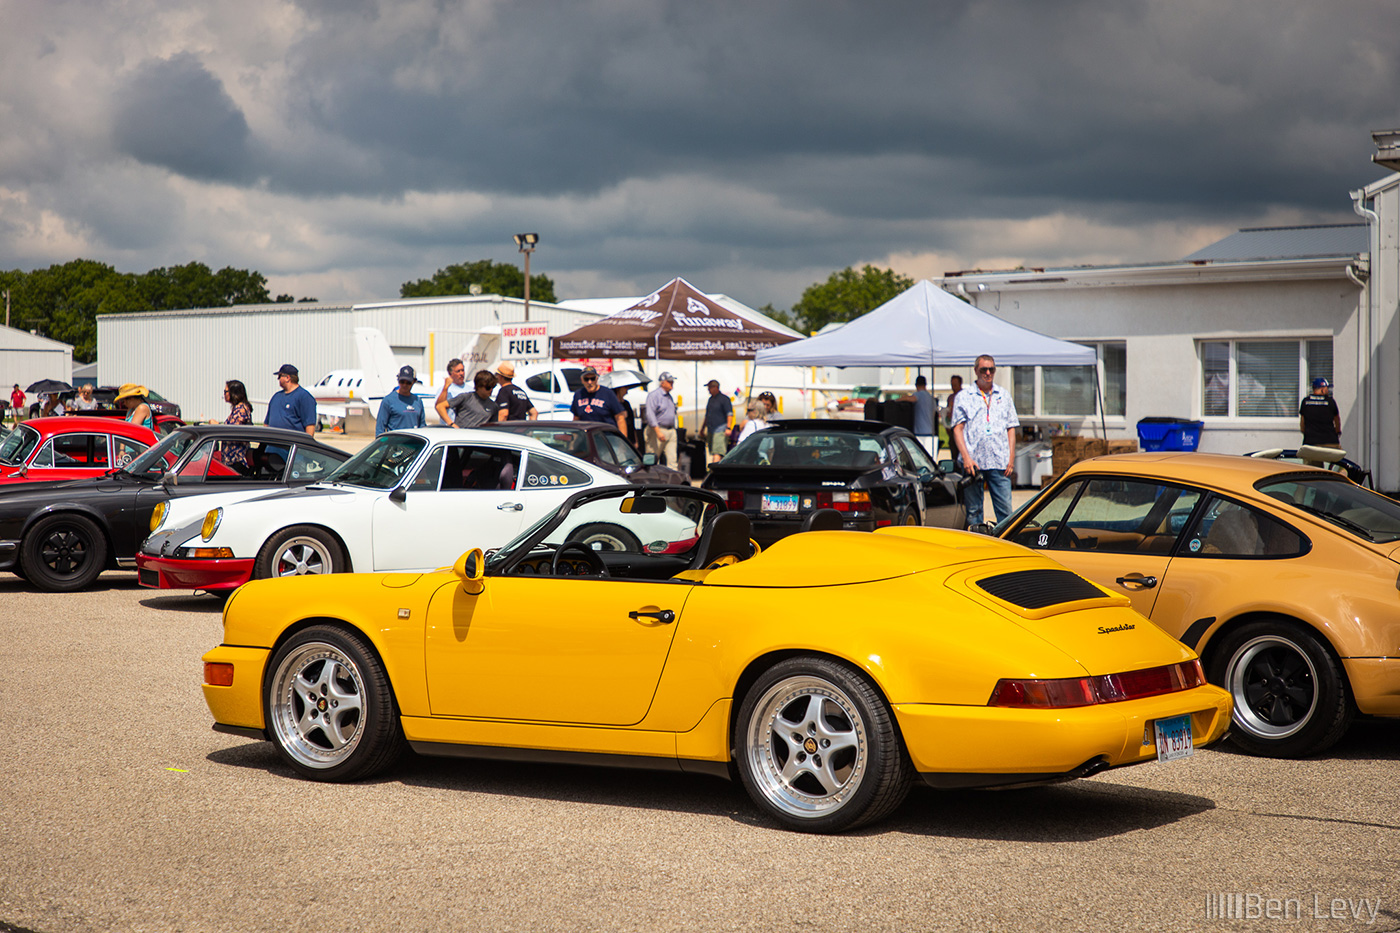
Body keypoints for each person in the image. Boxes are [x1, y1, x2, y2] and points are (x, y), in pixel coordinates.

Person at [951, 355, 1019, 528]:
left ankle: (1005, 546)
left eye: (991, 369)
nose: (988, 373)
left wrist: (1011, 458)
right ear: (976, 371)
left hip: (999, 461)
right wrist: (966, 457)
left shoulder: (1003, 395)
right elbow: (957, 429)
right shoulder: (964, 396)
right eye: (983, 370)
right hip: (974, 463)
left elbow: (1011, 428)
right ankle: (977, 545)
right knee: (974, 511)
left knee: (1005, 511)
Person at [571, 366, 627, 435]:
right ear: (582, 380)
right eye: (586, 379)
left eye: (592, 378)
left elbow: (620, 418)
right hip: (586, 438)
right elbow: (576, 420)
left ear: (597, 379)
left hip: (606, 437)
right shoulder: (578, 395)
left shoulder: (608, 393)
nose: (589, 382)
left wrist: (622, 441)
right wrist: (573, 440)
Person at [1299, 376, 1342, 466]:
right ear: (1322, 389)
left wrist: (1307, 434)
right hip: (1330, 442)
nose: (1328, 391)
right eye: (1326, 388)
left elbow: (1302, 425)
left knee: (1313, 472)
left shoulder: (1305, 402)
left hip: (1311, 444)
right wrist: (1337, 432)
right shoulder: (1330, 401)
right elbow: (1337, 420)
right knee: (1343, 466)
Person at [265, 364, 317, 436]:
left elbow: (310, 426)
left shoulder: (304, 397)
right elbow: (266, 424)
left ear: (287, 378)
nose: (278, 379)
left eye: (280, 376)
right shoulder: (276, 397)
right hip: (272, 445)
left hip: (292, 445)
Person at [377, 365, 428, 435]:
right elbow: (380, 428)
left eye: (408, 382)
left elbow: (422, 426)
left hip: (413, 444)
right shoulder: (388, 401)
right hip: (395, 444)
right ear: (398, 380)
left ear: (414, 382)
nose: (404, 385)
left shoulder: (418, 401)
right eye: (402, 382)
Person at [643, 372, 679, 467]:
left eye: (672, 381)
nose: (672, 383)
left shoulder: (669, 397)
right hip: (658, 430)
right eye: (669, 381)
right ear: (662, 383)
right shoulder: (654, 396)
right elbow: (650, 414)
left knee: (672, 459)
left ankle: (673, 480)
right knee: (652, 459)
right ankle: (650, 479)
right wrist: (658, 431)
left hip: (670, 430)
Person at [222, 380, 254, 473]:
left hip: (236, 460)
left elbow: (233, 429)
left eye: (226, 392)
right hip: (230, 459)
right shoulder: (237, 408)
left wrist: (216, 426)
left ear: (234, 393)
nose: (224, 394)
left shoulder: (241, 409)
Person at [703, 379, 733, 464]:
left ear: (715, 387)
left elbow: (729, 414)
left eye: (710, 387)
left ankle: (713, 470)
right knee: (713, 451)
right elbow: (707, 415)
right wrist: (703, 428)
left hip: (720, 429)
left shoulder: (724, 399)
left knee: (718, 452)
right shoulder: (710, 400)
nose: (708, 390)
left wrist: (728, 427)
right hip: (711, 429)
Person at [434, 358, 468, 426]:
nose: (461, 373)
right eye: (458, 371)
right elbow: (438, 406)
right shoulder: (444, 390)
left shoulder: (470, 390)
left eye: (462, 370)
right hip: (449, 428)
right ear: (450, 373)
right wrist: (445, 388)